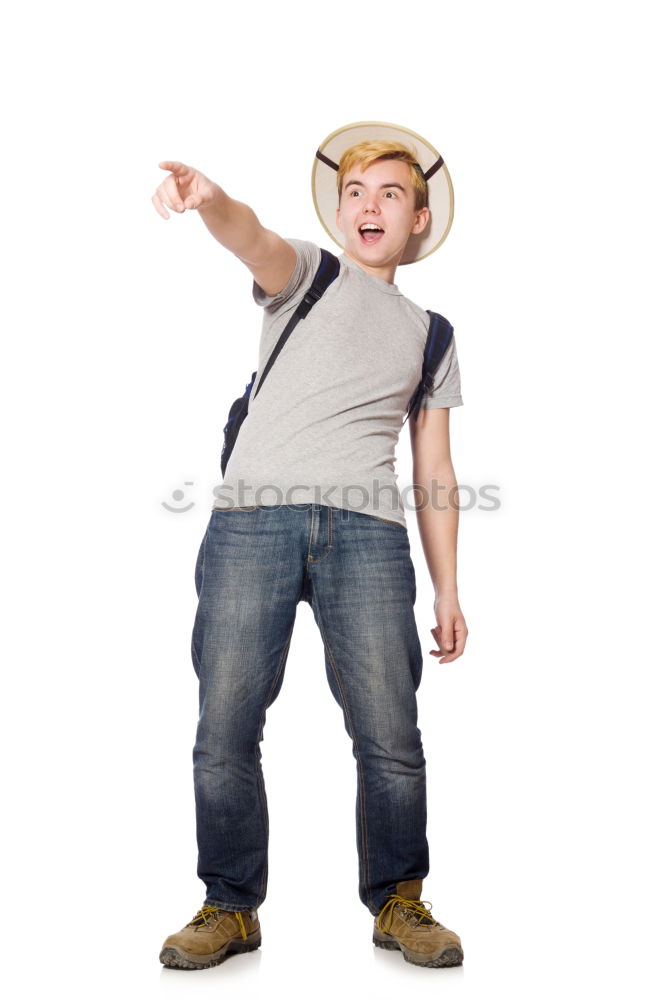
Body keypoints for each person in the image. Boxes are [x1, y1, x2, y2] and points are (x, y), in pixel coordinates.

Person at [152, 121, 468, 971]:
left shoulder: (432, 332)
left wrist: (447, 590)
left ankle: (400, 899)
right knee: (224, 726)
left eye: (391, 194)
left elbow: (433, 467)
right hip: (251, 523)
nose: (370, 206)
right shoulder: (308, 274)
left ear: (418, 218)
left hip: (369, 537)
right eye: (356, 192)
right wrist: (212, 201)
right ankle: (229, 906)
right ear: (337, 210)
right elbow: (249, 237)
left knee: (390, 733)